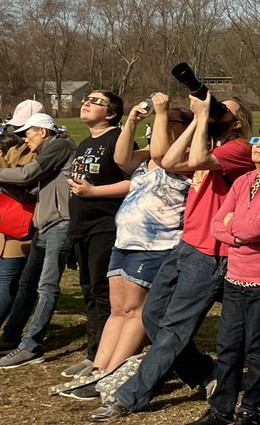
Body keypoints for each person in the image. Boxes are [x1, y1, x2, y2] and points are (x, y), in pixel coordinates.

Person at [89, 93, 254, 421]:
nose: (216, 111)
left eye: (224, 111)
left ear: (237, 121)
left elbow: (182, 164)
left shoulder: (241, 149)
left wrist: (204, 118)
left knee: (176, 326)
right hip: (187, 244)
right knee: (152, 317)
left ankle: (130, 397)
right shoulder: (207, 142)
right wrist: (198, 121)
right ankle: (208, 372)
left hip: (212, 251)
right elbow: (167, 161)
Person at [52, 96, 193, 398]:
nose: (159, 125)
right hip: (125, 240)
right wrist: (131, 121)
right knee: (118, 309)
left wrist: (164, 112)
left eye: (167, 122)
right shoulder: (147, 158)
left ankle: (112, 374)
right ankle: (97, 369)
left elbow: (162, 153)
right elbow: (121, 160)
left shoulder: (186, 157)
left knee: (134, 310)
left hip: (156, 244)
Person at [190, 125, 260, 425]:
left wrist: (233, 227)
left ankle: (251, 411)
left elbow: (259, 229)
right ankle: (221, 409)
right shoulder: (242, 181)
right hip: (236, 277)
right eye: (257, 139)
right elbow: (216, 223)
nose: (258, 145)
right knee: (228, 346)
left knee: (259, 349)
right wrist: (237, 228)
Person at [0, 113, 75, 367]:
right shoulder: (48, 150)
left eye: (27, 133)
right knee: (28, 283)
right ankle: (11, 338)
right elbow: (28, 193)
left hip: (61, 222)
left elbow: (27, 175)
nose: (23, 139)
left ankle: (32, 346)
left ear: (43, 131)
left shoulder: (59, 145)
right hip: (45, 223)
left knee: (47, 286)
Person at [60, 91, 133, 377]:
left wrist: (93, 192)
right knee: (88, 291)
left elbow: (132, 183)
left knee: (103, 294)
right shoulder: (85, 142)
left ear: (112, 113)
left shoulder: (117, 140)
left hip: (105, 225)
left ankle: (102, 356)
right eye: (86, 99)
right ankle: (94, 351)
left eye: (96, 101)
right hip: (82, 226)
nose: (86, 103)